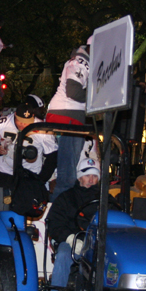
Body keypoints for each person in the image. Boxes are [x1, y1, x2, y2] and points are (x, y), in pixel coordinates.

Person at [46, 158, 101, 291]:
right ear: (79, 177)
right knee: (64, 254)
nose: (91, 179)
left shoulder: (106, 201)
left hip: (98, 244)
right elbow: (54, 223)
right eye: (87, 175)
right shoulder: (66, 198)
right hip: (72, 240)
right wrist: (70, 238)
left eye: (95, 176)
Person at [46, 39, 90, 202]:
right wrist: (96, 99)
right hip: (67, 117)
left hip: (69, 116)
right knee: (68, 175)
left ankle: (57, 214)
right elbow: (73, 91)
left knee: (68, 172)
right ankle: (56, 217)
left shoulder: (83, 63)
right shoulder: (80, 63)